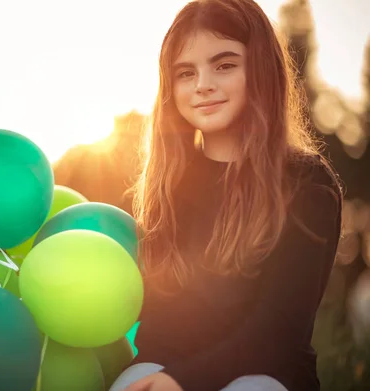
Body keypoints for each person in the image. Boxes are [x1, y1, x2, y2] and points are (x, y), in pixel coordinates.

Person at [120, 0, 343, 390]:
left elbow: (276, 330)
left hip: (267, 375)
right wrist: (154, 376)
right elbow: (159, 325)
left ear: (260, 70)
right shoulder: (169, 183)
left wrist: (182, 380)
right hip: (170, 368)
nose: (203, 84)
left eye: (224, 65)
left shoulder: (309, 184)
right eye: (186, 73)